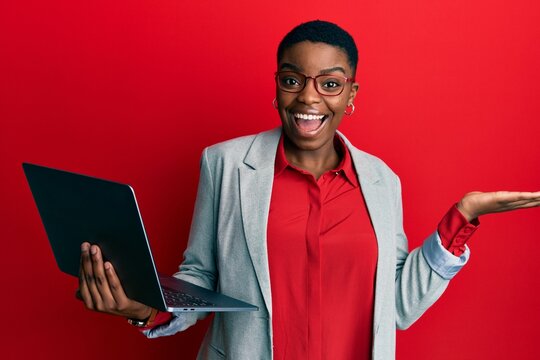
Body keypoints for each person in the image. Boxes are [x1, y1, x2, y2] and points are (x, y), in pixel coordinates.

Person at [78, 20, 540, 360]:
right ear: (277, 87)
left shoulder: (382, 182)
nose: (309, 98)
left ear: (351, 95)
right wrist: (143, 308)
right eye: (293, 80)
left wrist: (462, 217)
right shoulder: (223, 164)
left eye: (331, 84)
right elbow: (200, 280)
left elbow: (395, 305)